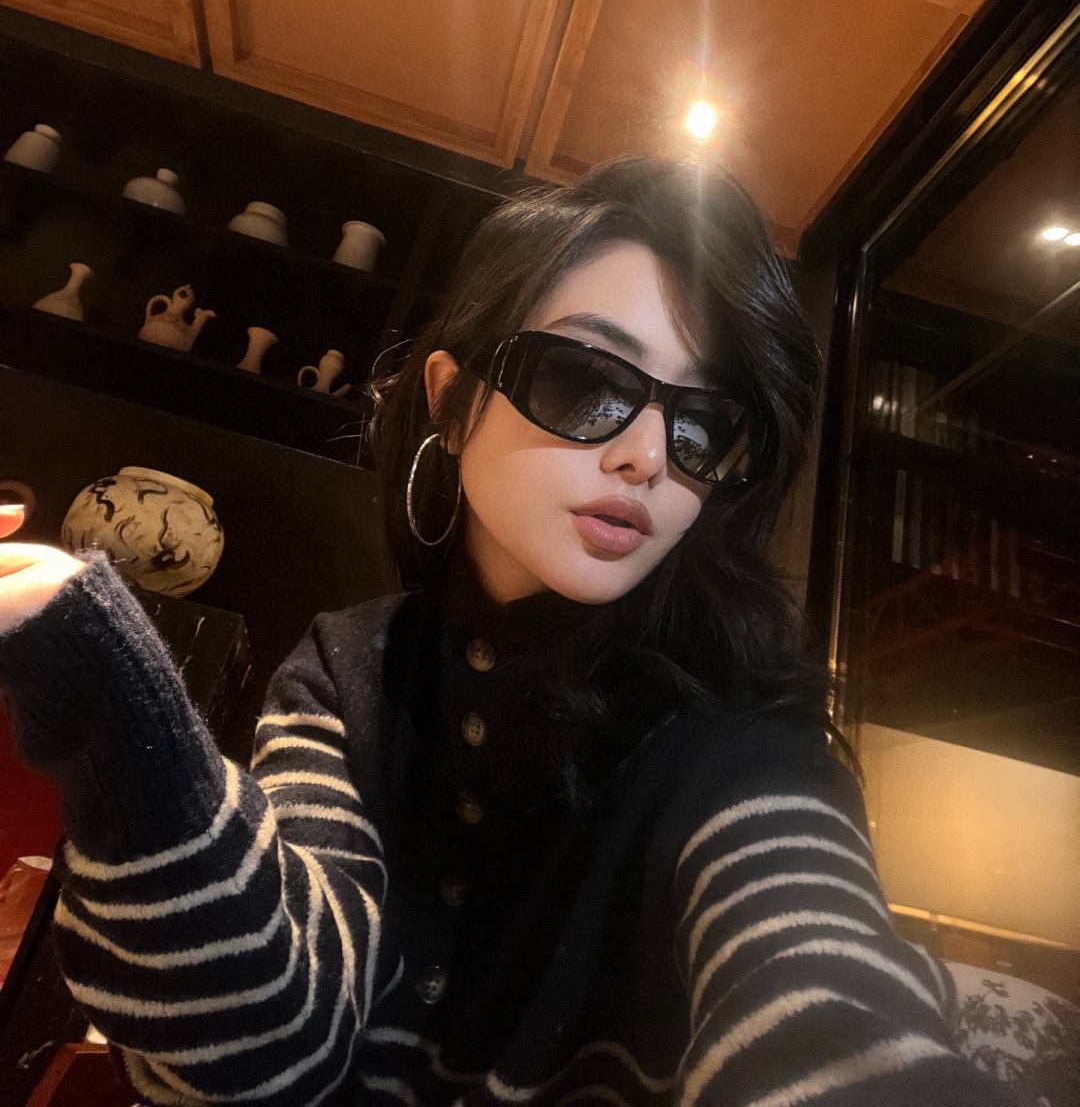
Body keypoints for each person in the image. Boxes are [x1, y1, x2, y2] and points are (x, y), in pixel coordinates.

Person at [0, 155, 1009, 1107]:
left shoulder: (742, 748)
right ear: (450, 402)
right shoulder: (347, 671)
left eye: (702, 423)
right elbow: (274, 1050)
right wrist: (106, 697)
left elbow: (824, 1002)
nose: (649, 456)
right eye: (586, 380)